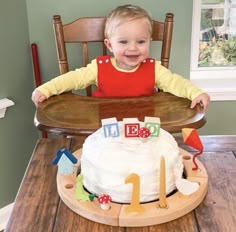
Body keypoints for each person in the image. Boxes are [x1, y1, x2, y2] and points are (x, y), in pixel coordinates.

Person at [32, 4, 210, 111]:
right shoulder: (99, 67)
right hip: (103, 127)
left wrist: (196, 92)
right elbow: (72, 79)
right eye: (123, 41)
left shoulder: (154, 68)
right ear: (109, 45)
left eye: (140, 41)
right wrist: (46, 89)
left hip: (143, 128)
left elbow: (175, 82)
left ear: (150, 41)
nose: (133, 48)